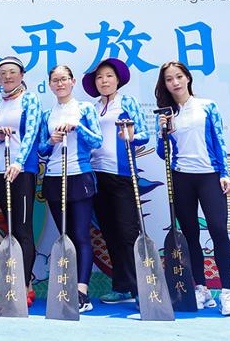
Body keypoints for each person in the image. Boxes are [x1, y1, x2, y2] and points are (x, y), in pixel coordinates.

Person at [155, 61, 230, 317]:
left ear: (188, 78)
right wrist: (163, 131)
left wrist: (224, 173)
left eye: (179, 77)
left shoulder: (207, 106)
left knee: (218, 230)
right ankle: (201, 289)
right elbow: (162, 153)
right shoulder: (167, 114)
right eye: (169, 79)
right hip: (182, 177)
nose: (175, 82)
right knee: (190, 235)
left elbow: (219, 140)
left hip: (209, 177)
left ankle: (227, 294)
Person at [82, 58, 149, 305]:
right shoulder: (92, 108)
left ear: (117, 79)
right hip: (96, 174)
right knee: (109, 232)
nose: (104, 81)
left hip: (122, 174)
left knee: (128, 231)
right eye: (99, 77)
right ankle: (122, 287)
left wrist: (130, 135)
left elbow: (144, 134)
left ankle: (141, 289)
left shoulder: (127, 102)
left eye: (109, 76)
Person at [38, 65, 103, 312]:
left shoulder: (85, 109)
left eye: (64, 79)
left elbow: (97, 141)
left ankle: (82, 292)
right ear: (50, 85)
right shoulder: (47, 114)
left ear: (72, 81)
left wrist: (78, 127)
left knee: (81, 235)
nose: (60, 84)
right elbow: (41, 150)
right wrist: (51, 140)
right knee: (65, 236)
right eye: (55, 80)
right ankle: (67, 287)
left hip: (79, 175)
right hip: (54, 178)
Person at [0, 56, 41, 307]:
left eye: (12, 72)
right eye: (3, 73)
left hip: (22, 171)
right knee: (10, 230)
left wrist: (18, 162)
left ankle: (25, 285)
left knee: (23, 228)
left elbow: (31, 134)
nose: (7, 77)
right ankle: (15, 280)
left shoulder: (30, 100)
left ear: (22, 75)